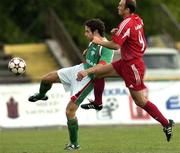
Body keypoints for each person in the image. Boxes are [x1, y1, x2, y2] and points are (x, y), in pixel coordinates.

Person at [77, 0, 174, 142]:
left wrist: (99, 41)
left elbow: (115, 46)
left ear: (127, 9)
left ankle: (166, 123)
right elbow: (133, 33)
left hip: (133, 66)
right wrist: (118, 33)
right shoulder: (136, 18)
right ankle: (98, 103)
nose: (118, 7)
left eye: (121, 5)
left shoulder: (126, 23)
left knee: (140, 101)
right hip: (125, 62)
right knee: (97, 73)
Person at [28, 18, 113, 150]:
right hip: (79, 69)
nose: (85, 34)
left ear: (95, 31)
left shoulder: (107, 46)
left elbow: (103, 65)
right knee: (46, 78)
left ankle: (74, 144)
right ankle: (41, 95)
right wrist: (87, 52)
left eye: (87, 31)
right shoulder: (93, 42)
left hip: (88, 78)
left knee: (70, 111)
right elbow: (93, 55)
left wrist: (87, 72)